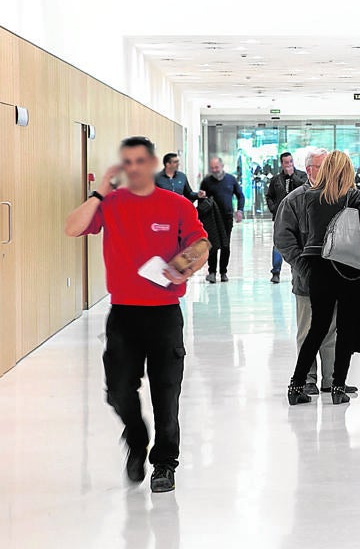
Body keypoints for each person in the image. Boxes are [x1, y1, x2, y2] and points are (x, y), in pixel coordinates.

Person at [64, 137, 210, 493]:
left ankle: (164, 464)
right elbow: (72, 227)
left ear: (152, 163)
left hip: (164, 315)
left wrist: (184, 266)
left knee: (166, 392)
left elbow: (201, 243)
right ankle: (136, 437)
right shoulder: (111, 204)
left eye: (140, 160)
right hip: (124, 314)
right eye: (127, 161)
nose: (134, 167)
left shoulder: (175, 204)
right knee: (117, 390)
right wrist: (99, 191)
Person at [284, 151, 360, 406]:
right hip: (347, 268)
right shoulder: (352, 195)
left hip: (318, 268)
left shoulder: (311, 197)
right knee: (344, 329)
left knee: (316, 328)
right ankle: (337, 387)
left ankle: (296, 385)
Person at [274, 149, 337, 396]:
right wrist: (305, 269)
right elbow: (283, 239)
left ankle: (331, 379)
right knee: (308, 329)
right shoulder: (293, 201)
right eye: (323, 167)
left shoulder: (336, 197)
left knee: (332, 330)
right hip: (307, 280)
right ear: (310, 169)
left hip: (334, 278)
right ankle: (308, 378)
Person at [198, 156, 245, 283]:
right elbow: (201, 200)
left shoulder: (231, 179)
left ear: (222, 166)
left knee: (225, 245)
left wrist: (239, 210)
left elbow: (240, 195)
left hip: (227, 217)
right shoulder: (206, 182)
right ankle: (212, 272)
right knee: (212, 245)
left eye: (216, 167)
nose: (214, 170)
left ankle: (223, 272)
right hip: (212, 219)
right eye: (212, 168)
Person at [265, 152, 308, 285]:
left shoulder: (301, 176)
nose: (289, 164)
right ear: (282, 164)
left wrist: (292, 177)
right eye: (286, 162)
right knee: (278, 243)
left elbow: (305, 188)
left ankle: (295, 271)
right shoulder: (276, 180)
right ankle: (276, 272)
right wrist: (273, 208)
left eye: (290, 161)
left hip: (298, 217)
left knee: (297, 244)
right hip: (280, 217)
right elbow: (269, 196)